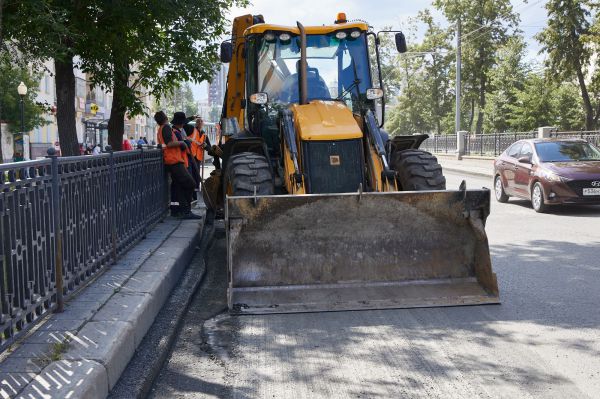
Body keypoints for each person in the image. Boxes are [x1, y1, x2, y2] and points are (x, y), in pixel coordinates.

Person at [155, 111, 200, 219]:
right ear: (165, 117)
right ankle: (186, 211)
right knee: (190, 184)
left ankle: (179, 211)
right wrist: (182, 143)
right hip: (174, 161)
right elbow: (170, 144)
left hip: (173, 160)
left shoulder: (163, 128)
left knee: (180, 186)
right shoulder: (165, 128)